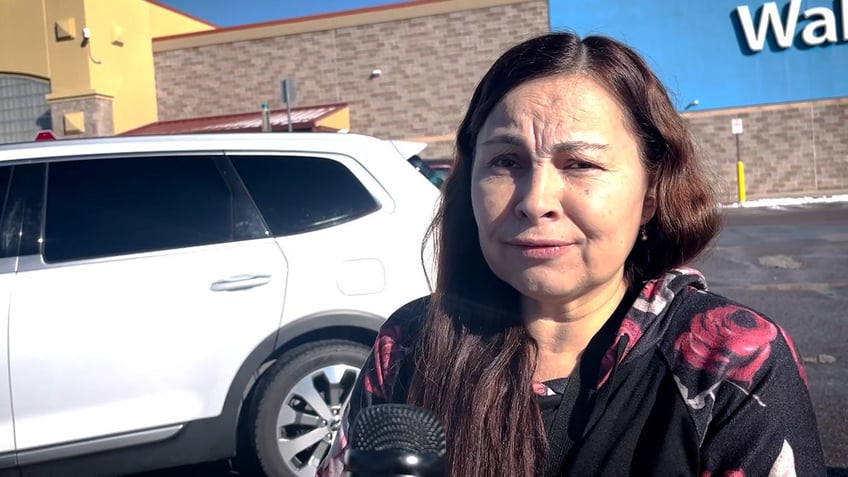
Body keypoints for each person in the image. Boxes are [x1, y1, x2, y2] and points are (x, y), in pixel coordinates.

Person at [317, 31, 826, 476]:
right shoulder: (407, 346)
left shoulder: (728, 362)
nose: (535, 201)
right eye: (505, 161)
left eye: (581, 163)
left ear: (650, 194)